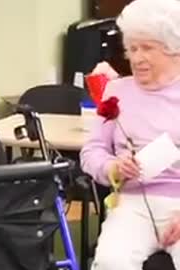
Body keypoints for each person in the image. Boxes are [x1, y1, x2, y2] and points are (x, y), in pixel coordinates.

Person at [80, 0, 180, 269]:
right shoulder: (117, 92)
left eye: (147, 48)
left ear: (174, 51)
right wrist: (112, 166)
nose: (136, 58)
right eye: (132, 48)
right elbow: (91, 151)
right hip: (132, 204)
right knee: (111, 262)